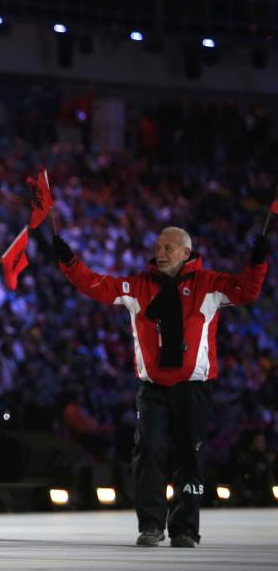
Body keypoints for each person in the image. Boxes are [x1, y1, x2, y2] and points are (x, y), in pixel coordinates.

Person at [53, 227, 269, 547]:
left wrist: (258, 261)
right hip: (152, 389)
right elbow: (95, 285)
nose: (161, 252)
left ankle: (185, 529)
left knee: (188, 458)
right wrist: (67, 258)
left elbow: (247, 290)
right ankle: (151, 525)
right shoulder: (139, 285)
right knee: (149, 453)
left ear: (186, 253)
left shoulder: (210, 284)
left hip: (193, 389)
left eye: (168, 247)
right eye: (158, 247)